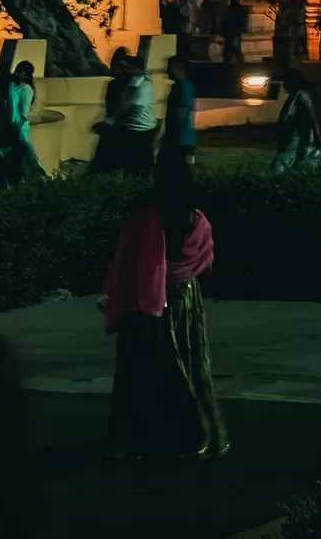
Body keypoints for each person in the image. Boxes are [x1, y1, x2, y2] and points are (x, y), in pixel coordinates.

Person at [101, 157, 227, 459]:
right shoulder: (196, 219)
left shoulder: (146, 217)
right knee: (190, 366)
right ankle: (201, 434)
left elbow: (135, 264)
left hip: (147, 305)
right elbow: (204, 259)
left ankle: (149, 440)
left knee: (143, 375)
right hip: (186, 301)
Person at [0, 62, 47, 184]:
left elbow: (24, 112)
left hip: (19, 128)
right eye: (17, 70)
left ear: (27, 76)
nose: (17, 73)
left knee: (24, 157)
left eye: (21, 71)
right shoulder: (12, 86)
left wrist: (16, 128)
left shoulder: (26, 90)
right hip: (10, 126)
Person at [271, 68, 321, 171]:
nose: (283, 85)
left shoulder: (301, 96)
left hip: (298, 138)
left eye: (286, 82)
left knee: (281, 163)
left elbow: (311, 117)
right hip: (291, 137)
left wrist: (317, 137)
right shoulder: (293, 96)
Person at [161, 55, 197, 167]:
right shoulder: (187, 85)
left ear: (178, 69)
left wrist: (171, 133)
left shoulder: (182, 86)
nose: (167, 71)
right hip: (185, 137)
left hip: (180, 137)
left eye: (169, 67)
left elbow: (182, 110)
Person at [221, 0, 247, 66]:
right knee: (235, 49)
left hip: (230, 33)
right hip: (234, 32)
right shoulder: (239, 9)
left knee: (231, 50)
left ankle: (227, 65)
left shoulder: (230, 9)